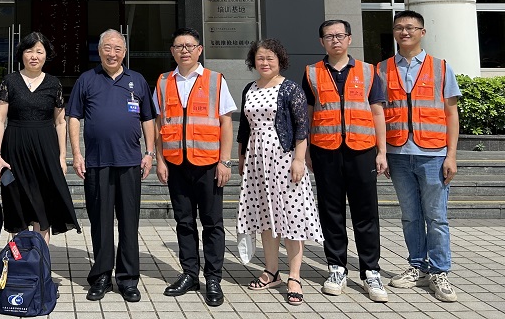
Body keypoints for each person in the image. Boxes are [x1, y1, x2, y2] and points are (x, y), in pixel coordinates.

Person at [302, 19, 389, 303]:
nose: (335, 40)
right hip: (325, 150)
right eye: (329, 36)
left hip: (361, 150)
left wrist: (382, 151)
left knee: (366, 212)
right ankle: (336, 267)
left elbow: (377, 112)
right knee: (331, 212)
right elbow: (308, 114)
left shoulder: (368, 71)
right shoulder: (312, 72)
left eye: (340, 35)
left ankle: (370, 271)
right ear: (321, 42)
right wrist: (306, 151)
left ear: (350, 39)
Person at [67, 30, 156, 303]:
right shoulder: (86, 79)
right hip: (97, 163)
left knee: (129, 222)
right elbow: (73, 117)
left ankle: (128, 279)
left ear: (124, 52)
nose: (112, 53)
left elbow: (148, 118)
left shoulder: (137, 80)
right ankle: (102, 277)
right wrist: (77, 154)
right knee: (101, 223)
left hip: (130, 162)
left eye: (117, 48)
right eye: (107, 48)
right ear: (100, 51)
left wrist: (150, 153)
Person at [379, 10, 461, 303]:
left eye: (411, 27)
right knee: (410, 216)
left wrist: (451, 155)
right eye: (399, 27)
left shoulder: (441, 67)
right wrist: (382, 152)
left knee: (436, 217)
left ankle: (440, 271)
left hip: (434, 154)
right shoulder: (382, 68)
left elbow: (451, 114)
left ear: (422, 32)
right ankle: (418, 266)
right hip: (398, 154)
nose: (405, 32)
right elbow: (378, 114)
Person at [153, 27, 236, 307]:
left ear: (199, 50)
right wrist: (160, 160)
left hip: (209, 164)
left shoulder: (215, 80)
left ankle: (213, 278)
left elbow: (226, 123)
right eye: (179, 46)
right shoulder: (163, 81)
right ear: (172, 51)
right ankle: (190, 274)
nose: (184, 50)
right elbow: (159, 124)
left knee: (212, 223)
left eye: (190, 46)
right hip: (176, 164)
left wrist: (225, 161)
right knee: (184, 222)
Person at [237, 39, 323, 306]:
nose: (264, 63)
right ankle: (272, 271)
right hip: (256, 161)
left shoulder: (290, 88)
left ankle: (294, 276)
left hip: (284, 159)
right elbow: (244, 128)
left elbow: (301, 127)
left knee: (291, 217)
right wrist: (241, 157)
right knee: (266, 217)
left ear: (280, 61)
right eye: (260, 58)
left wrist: (299, 159)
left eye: (270, 58)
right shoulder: (249, 89)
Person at [0, 32, 80, 243]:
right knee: (16, 201)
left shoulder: (53, 83)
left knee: (43, 204)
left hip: (45, 151)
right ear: (21, 54)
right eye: (29, 51)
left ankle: (40, 259)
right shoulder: (10, 81)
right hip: (14, 150)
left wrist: (62, 156)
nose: (34, 56)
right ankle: (21, 258)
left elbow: (60, 122)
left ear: (46, 55)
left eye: (39, 52)